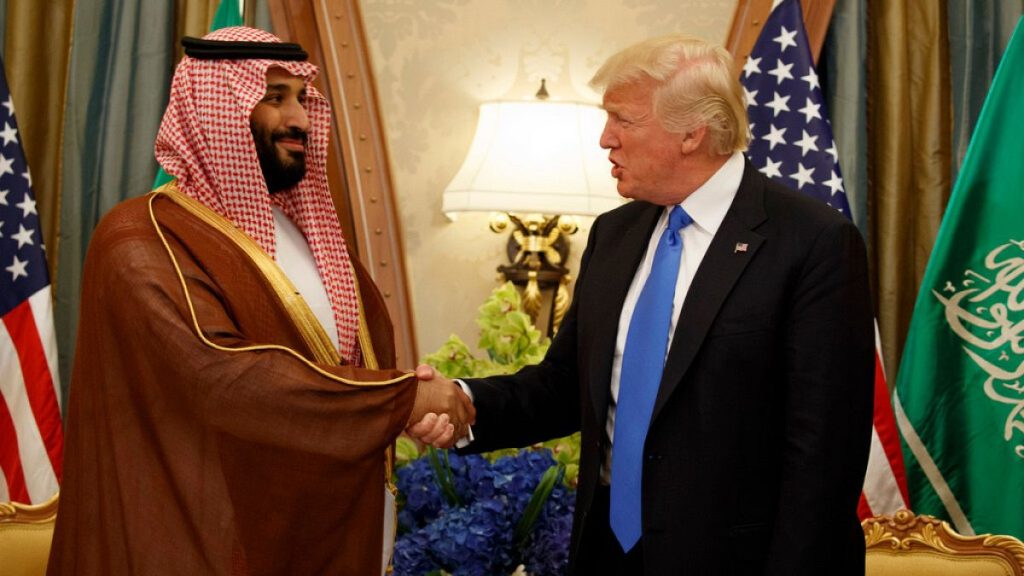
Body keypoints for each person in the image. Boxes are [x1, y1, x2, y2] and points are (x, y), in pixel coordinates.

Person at [415, 35, 873, 575]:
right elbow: (563, 387)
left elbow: (823, 457)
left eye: (622, 120)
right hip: (607, 554)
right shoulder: (615, 234)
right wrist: (463, 403)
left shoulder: (812, 242)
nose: (606, 139)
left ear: (691, 133)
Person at [48, 27, 472, 576]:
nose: (299, 119)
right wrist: (400, 401)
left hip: (309, 536)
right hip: (194, 538)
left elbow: (351, 366)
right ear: (214, 109)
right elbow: (223, 378)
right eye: (274, 98)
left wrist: (407, 406)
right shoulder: (140, 238)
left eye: (302, 98)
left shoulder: (307, 233)